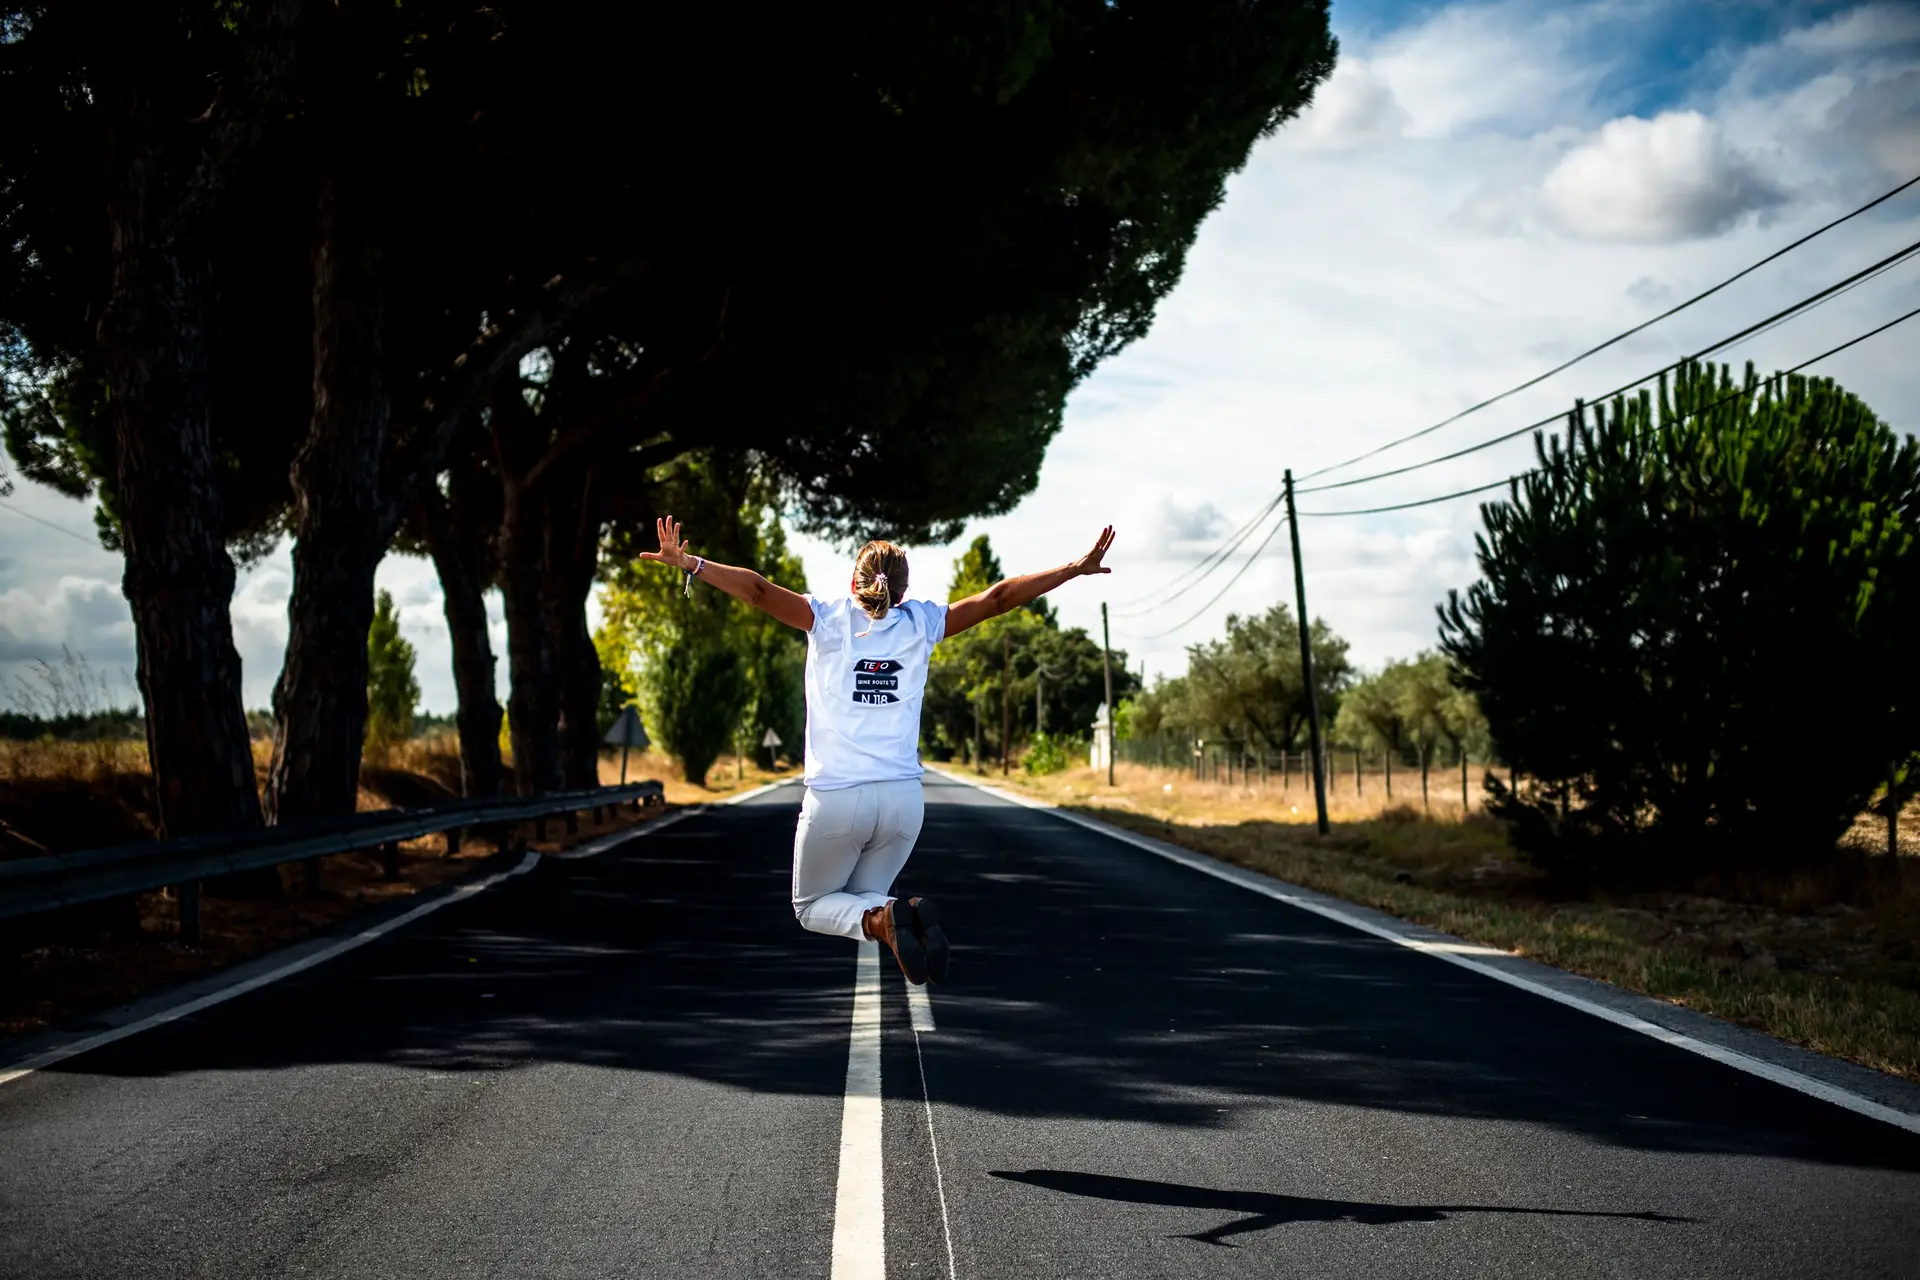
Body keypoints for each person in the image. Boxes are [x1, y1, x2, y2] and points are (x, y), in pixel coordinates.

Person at [640, 517, 1115, 984]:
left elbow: (759, 591)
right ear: (904, 591)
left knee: (810, 907)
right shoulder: (922, 623)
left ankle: (890, 920)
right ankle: (894, 916)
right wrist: (1074, 567)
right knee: (864, 898)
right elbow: (998, 599)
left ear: (854, 581)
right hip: (904, 802)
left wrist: (691, 564)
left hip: (837, 798)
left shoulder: (825, 618)